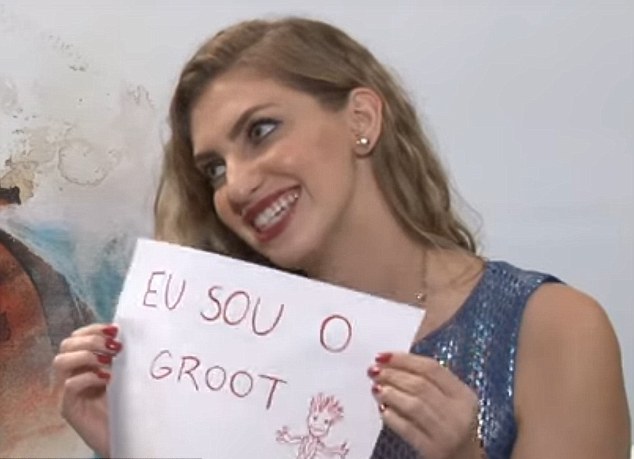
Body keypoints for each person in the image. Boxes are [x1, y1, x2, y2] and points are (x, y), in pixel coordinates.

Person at [52, 17, 631, 459]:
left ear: (362, 119)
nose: (238, 185)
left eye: (261, 130)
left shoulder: (551, 328)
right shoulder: (226, 366)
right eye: (215, 169)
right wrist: (137, 447)